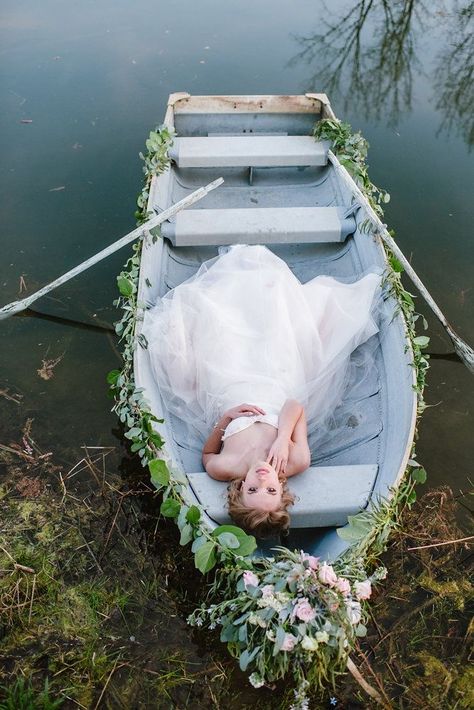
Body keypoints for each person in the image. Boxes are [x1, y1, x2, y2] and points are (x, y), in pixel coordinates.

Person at [144, 244, 382, 537]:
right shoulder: (296, 460)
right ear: (281, 489)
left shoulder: (224, 467)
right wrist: (283, 438)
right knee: (275, 329)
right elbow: (295, 405)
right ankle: (262, 293)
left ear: (240, 489)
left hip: (229, 388)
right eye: (269, 489)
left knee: (222, 336)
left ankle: (232, 299)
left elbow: (207, 453)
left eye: (253, 489)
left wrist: (227, 418)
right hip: (278, 385)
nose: (261, 478)